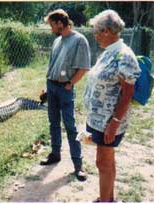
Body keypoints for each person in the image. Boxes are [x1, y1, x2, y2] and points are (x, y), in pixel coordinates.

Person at [84, 10, 141, 202]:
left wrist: (114, 123)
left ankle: (105, 201)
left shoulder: (124, 56)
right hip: (98, 118)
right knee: (107, 160)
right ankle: (109, 199)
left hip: (109, 121)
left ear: (107, 31)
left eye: (96, 32)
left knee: (103, 162)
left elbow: (128, 93)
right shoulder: (109, 53)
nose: (96, 36)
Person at [40, 9, 91, 182]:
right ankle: (55, 154)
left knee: (70, 126)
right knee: (53, 122)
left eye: (51, 25)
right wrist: (47, 87)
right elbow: (52, 65)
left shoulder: (79, 40)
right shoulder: (57, 41)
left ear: (59, 23)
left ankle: (78, 165)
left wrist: (70, 84)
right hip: (52, 86)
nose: (50, 29)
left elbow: (83, 67)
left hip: (65, 89)